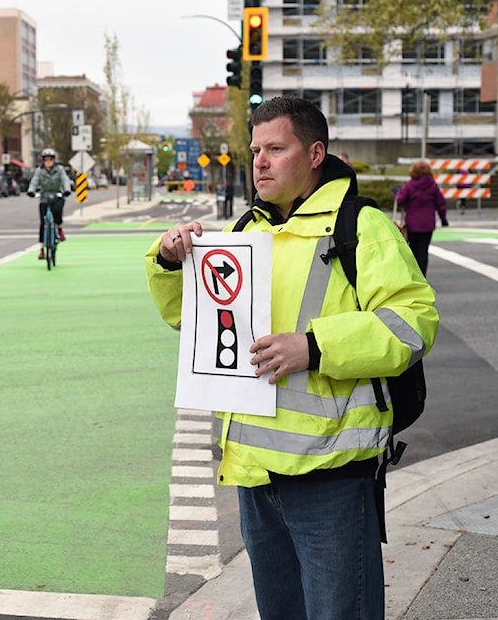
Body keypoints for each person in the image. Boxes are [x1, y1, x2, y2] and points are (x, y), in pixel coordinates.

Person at [145, 97, 439, 620]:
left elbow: (413, 324)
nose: (259, 161)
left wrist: (315, 346)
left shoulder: (362, 227)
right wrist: (170, 264)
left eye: (276, 148)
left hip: (332, 474)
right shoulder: (243, 234)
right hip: (256, 477)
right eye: (256, 149)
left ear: (314, 154)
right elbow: (194, 326)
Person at [396, 159, 449, 276]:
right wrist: (443, 218)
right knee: (423, 250)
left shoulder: (409, 185)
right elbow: (441, 203)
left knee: (413, 250)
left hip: (413, 223)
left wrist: (397, 193)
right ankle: (423, 274)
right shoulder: (433, 185)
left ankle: (415, 275)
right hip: (427, 223)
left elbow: (400, 200)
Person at [27, 148, 71, 260]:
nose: (48, 161)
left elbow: (65, 179)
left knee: (57, 212)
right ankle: (42, 249)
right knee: (43, 223)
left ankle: (59, 229)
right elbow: (35, 181)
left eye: (50, 159)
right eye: (46, 159)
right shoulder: (39, 171)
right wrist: (31, 191)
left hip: (57, 195)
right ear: (43, 161)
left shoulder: (59, 169)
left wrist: (67, 190)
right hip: (44, 197)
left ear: (54, 160)